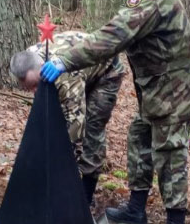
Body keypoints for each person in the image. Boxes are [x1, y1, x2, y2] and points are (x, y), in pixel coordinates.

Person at [40, 0, 190, 224]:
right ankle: (137, 209)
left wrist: (66, 59)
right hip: (157, 88)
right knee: (139, 138)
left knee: (169, 151)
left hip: (174, 89)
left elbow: (115, 35)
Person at [10, 30, 127, 208]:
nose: (34, 92)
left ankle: (86, 195)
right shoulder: (28, 59)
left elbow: (76, 126)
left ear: (42, 67)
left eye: (36, 85)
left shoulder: (65, 79)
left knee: (91, 130)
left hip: (106, 71)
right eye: (28, 88)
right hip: (81, 69)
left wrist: (61, 165)